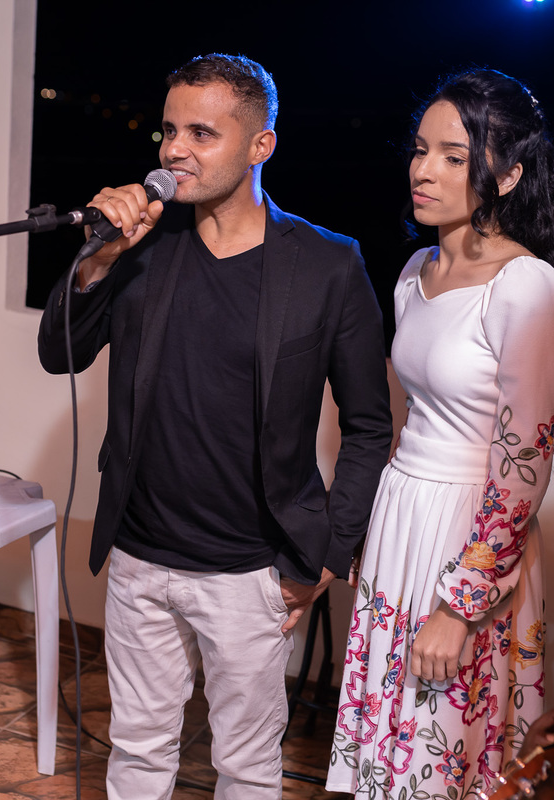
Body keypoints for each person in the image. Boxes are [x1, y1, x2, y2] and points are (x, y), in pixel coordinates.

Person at [37, 54, 393, 799]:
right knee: (136, 752)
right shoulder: (143, 246)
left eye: (201, 133)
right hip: (138, 558)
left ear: (261, 145)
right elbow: (59, 354)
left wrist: (329, 554)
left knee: (246, 768)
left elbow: (368, 426)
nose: (174, 150)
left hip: (252, 573)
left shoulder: (328, 265)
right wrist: (99, 256)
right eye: (169, 130)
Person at [327, 67, 554, 799]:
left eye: (452, 156)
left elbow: (523, 469)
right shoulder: (416, 272)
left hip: (467, 538)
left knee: (441, 756)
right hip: (403, 517)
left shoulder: (528, 288)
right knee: (390, 748)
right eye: (419, 150)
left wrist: (460, 606)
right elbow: (410, 417)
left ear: (506, 176)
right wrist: (370, 532)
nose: (423, 170)